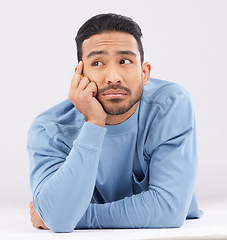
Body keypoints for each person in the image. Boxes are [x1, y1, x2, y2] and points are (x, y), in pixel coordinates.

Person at [27, 13, 201, 233]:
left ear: (144, 73)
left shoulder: (171, 105)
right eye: (97, 63)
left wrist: (72, 217)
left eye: (124, 61)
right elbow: (57, 218)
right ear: (79, 75)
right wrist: (94, 122)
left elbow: (169, 208)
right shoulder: (49, 129)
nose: (113, 77)